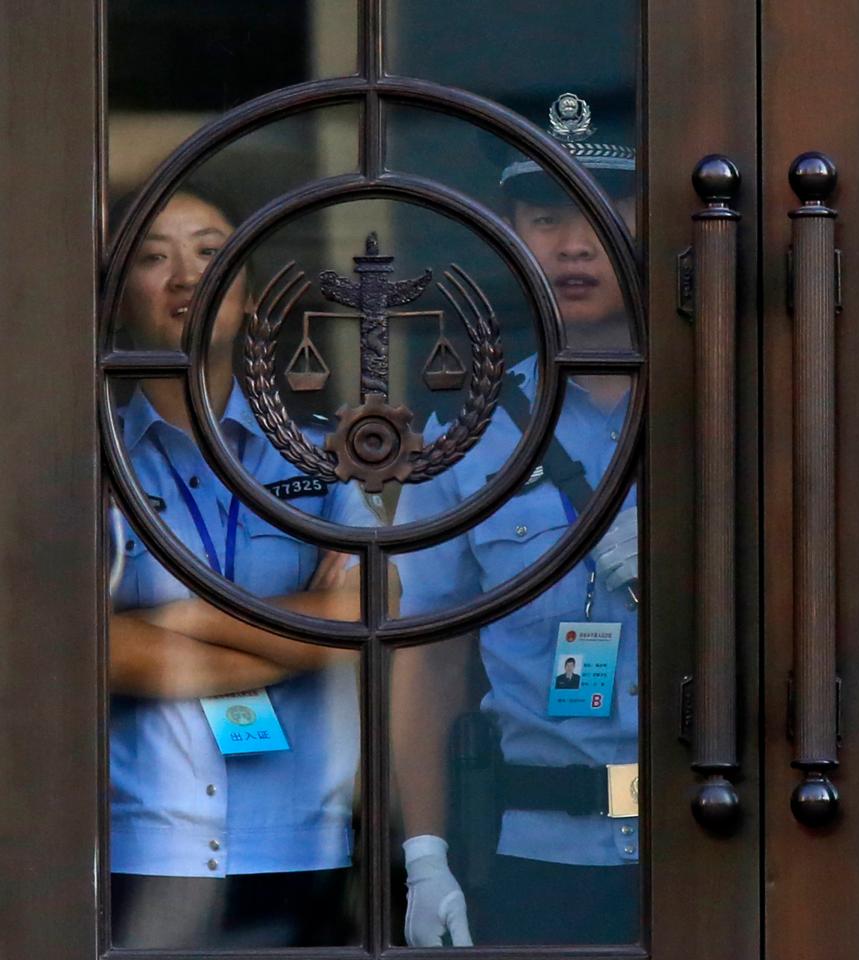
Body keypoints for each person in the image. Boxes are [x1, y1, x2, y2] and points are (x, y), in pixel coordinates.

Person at [393, 91, 641, 947]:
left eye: (604, 215)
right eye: (544, 216)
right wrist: (425, 858)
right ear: (510, 234)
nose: (573, 244)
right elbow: (429, 653)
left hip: (711, 835)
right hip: (531, 851)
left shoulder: (723, 417)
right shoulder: (470, 431)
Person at [108, 189, 365, 948]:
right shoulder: (95, 462)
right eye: (154, 256)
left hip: (305, 854)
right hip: (143, 853)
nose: (186, 276)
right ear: (119, 300)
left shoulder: (325, 462)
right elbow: (82, 653)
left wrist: (167, 624)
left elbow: (363, 624)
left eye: (211, 250)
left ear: (250, 294)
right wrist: (290, 636)